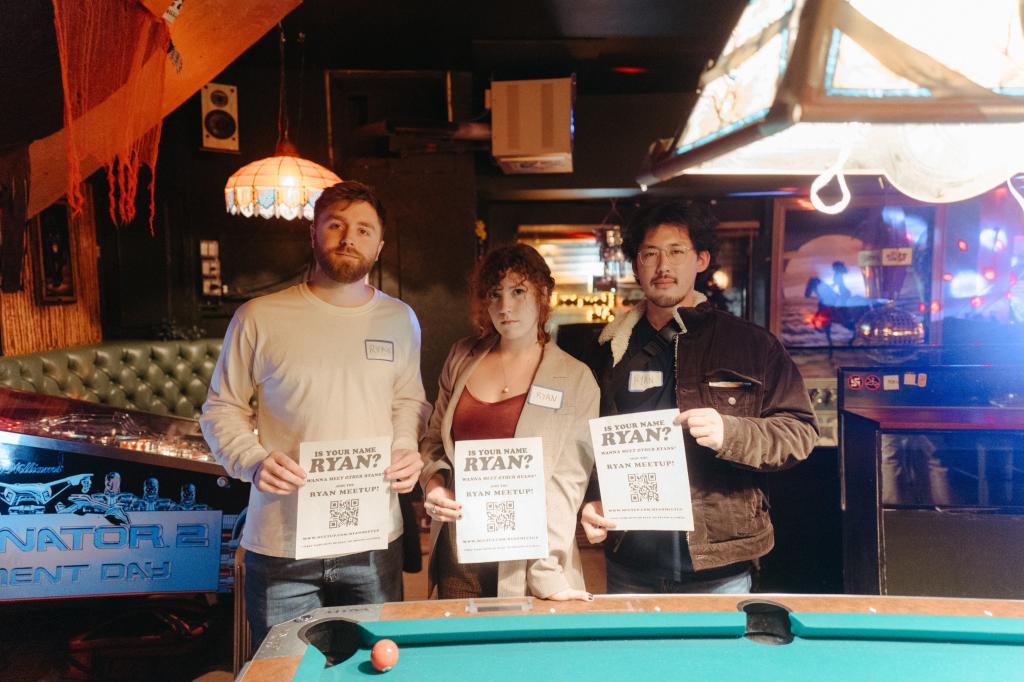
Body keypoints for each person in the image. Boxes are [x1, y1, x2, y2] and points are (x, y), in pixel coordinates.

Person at [200, 180, 430, 649]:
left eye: (364, 229)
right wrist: (252, 457)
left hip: (373, 538)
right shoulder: (259, 317)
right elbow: (221, 408)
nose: (349, 237)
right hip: (282, 545)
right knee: (285, 672)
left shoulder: (400, 319)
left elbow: (409, 401)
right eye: (336, 225)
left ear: (380, 246)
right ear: (314, 233)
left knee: (373, 667)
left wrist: (407, 447)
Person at [581, 200, 818, 594]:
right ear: (636, 264)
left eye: (676, 251)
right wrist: (590, 501)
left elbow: (799, 432)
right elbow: (583, 444)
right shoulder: (608, 349)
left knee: (714, 659)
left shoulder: (752, 345)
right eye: (650, 253)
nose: (663, 266)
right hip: (629, 560)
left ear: (702, 259)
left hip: (718, 569)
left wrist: (731, 433)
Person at [419, 244, 598, 601]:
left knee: (524, 655)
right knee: (460, 653)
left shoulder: (576, 378)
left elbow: (566, 486)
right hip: (459, 548)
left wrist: (549, 572)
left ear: (543, 294)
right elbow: (434, 441)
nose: (505, 306)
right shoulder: (461, 356)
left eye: (518, 291)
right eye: (494, 294)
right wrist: (433, 485)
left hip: (529, 556)